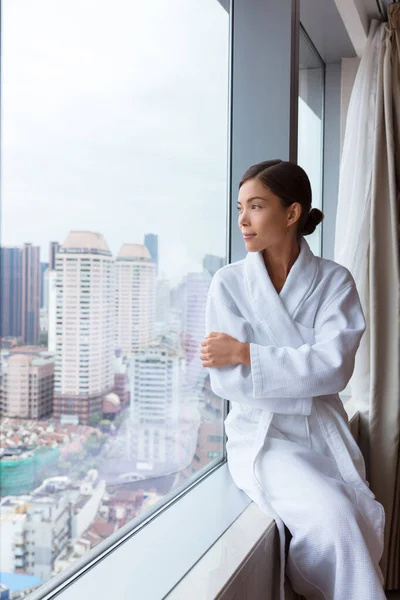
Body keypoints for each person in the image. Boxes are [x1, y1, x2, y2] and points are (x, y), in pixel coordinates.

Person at [200, 160, 386, 600]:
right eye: (241, 207)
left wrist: (247, 353)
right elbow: (227, 383)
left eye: (257, 206)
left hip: (323, 433)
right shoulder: (228, 285)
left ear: (291, 213)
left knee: (352, 518)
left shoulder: (334, 281)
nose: (243, 220)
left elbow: (336, 368)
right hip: (264, 438)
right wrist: (304, 371)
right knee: (336, 516)